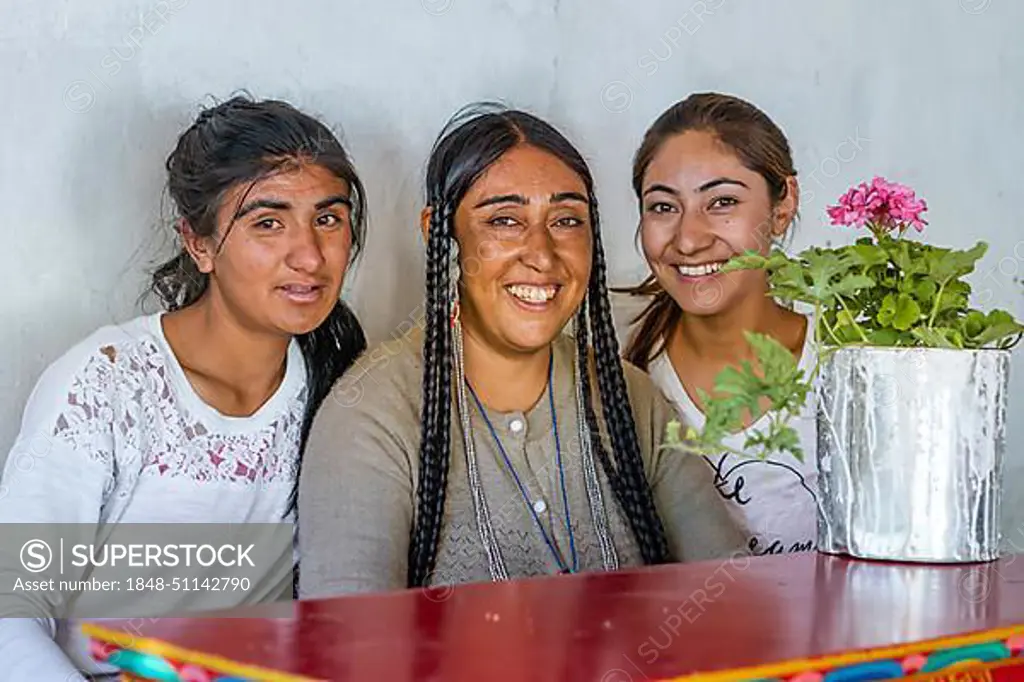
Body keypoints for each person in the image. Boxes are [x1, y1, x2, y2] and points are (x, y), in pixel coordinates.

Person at [298, 103, 746, 597]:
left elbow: (727, 601)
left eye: (566, 220)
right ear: (438, 232)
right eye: (505, 220)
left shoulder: (632, 401)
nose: (541, 254)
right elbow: (351, 650)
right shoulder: (372, 415)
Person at [0, 95, 367, 679]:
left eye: (329, 218)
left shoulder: (342, 390)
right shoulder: (108, 386)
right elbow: (12, 613)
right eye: (267, 222)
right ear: (199, 243)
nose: (309, 255)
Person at [621, 92, 818, 556]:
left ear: (783, 203)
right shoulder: (623, 373)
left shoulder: (847, 358)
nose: (689, 240)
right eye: (664, 207)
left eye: (722, 202)